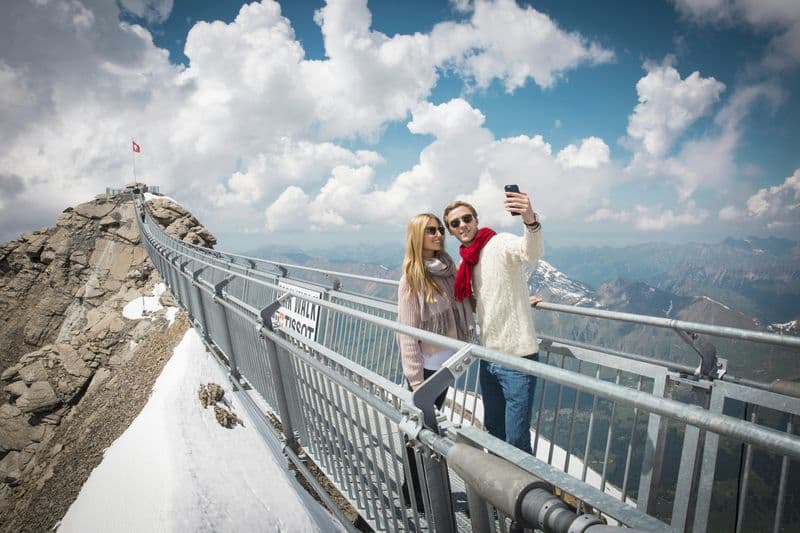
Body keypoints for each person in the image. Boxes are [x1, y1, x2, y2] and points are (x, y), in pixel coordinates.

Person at [443, 189, 543, 455]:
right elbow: (484, 299)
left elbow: (529, 251)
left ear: (476, 220)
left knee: (517, 439)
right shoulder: (468, 261)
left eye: (466, 219)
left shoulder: (498, 244)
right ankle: (501, 491)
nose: (462, 225)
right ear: (451, 232)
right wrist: (520, 300)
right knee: (494, 430)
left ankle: (524, 493)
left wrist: (530, 220)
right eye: (455, 223)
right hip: (488, 358)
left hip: (517, 359)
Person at [395, 213, 474, 510]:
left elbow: (467, 300)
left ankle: (422, 489)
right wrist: (416, 381)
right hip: (426, 371)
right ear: (418, 235)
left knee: (429, 428)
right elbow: (407, 334)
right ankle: (414, 492)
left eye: (440, 229)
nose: (439, 234)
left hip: (446, 367)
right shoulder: (411, 279)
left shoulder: (449, 270)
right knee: (418, 430)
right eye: (431, 230)